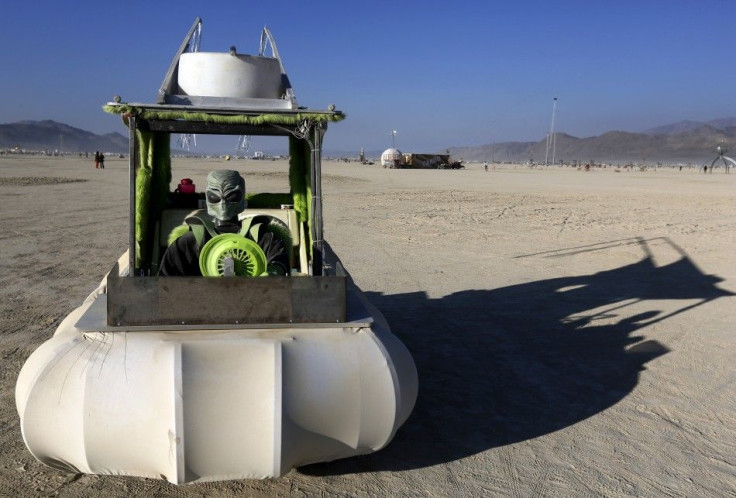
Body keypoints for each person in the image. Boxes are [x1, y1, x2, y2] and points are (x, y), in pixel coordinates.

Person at [159, 170, 286, 276]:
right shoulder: (189, 242)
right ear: (208, 199)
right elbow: (165, 283)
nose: (223, 204)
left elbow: (279, 263)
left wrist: (273, 273)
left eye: (232, 197)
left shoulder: (262, 237)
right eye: (215, 197)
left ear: (242, 197)